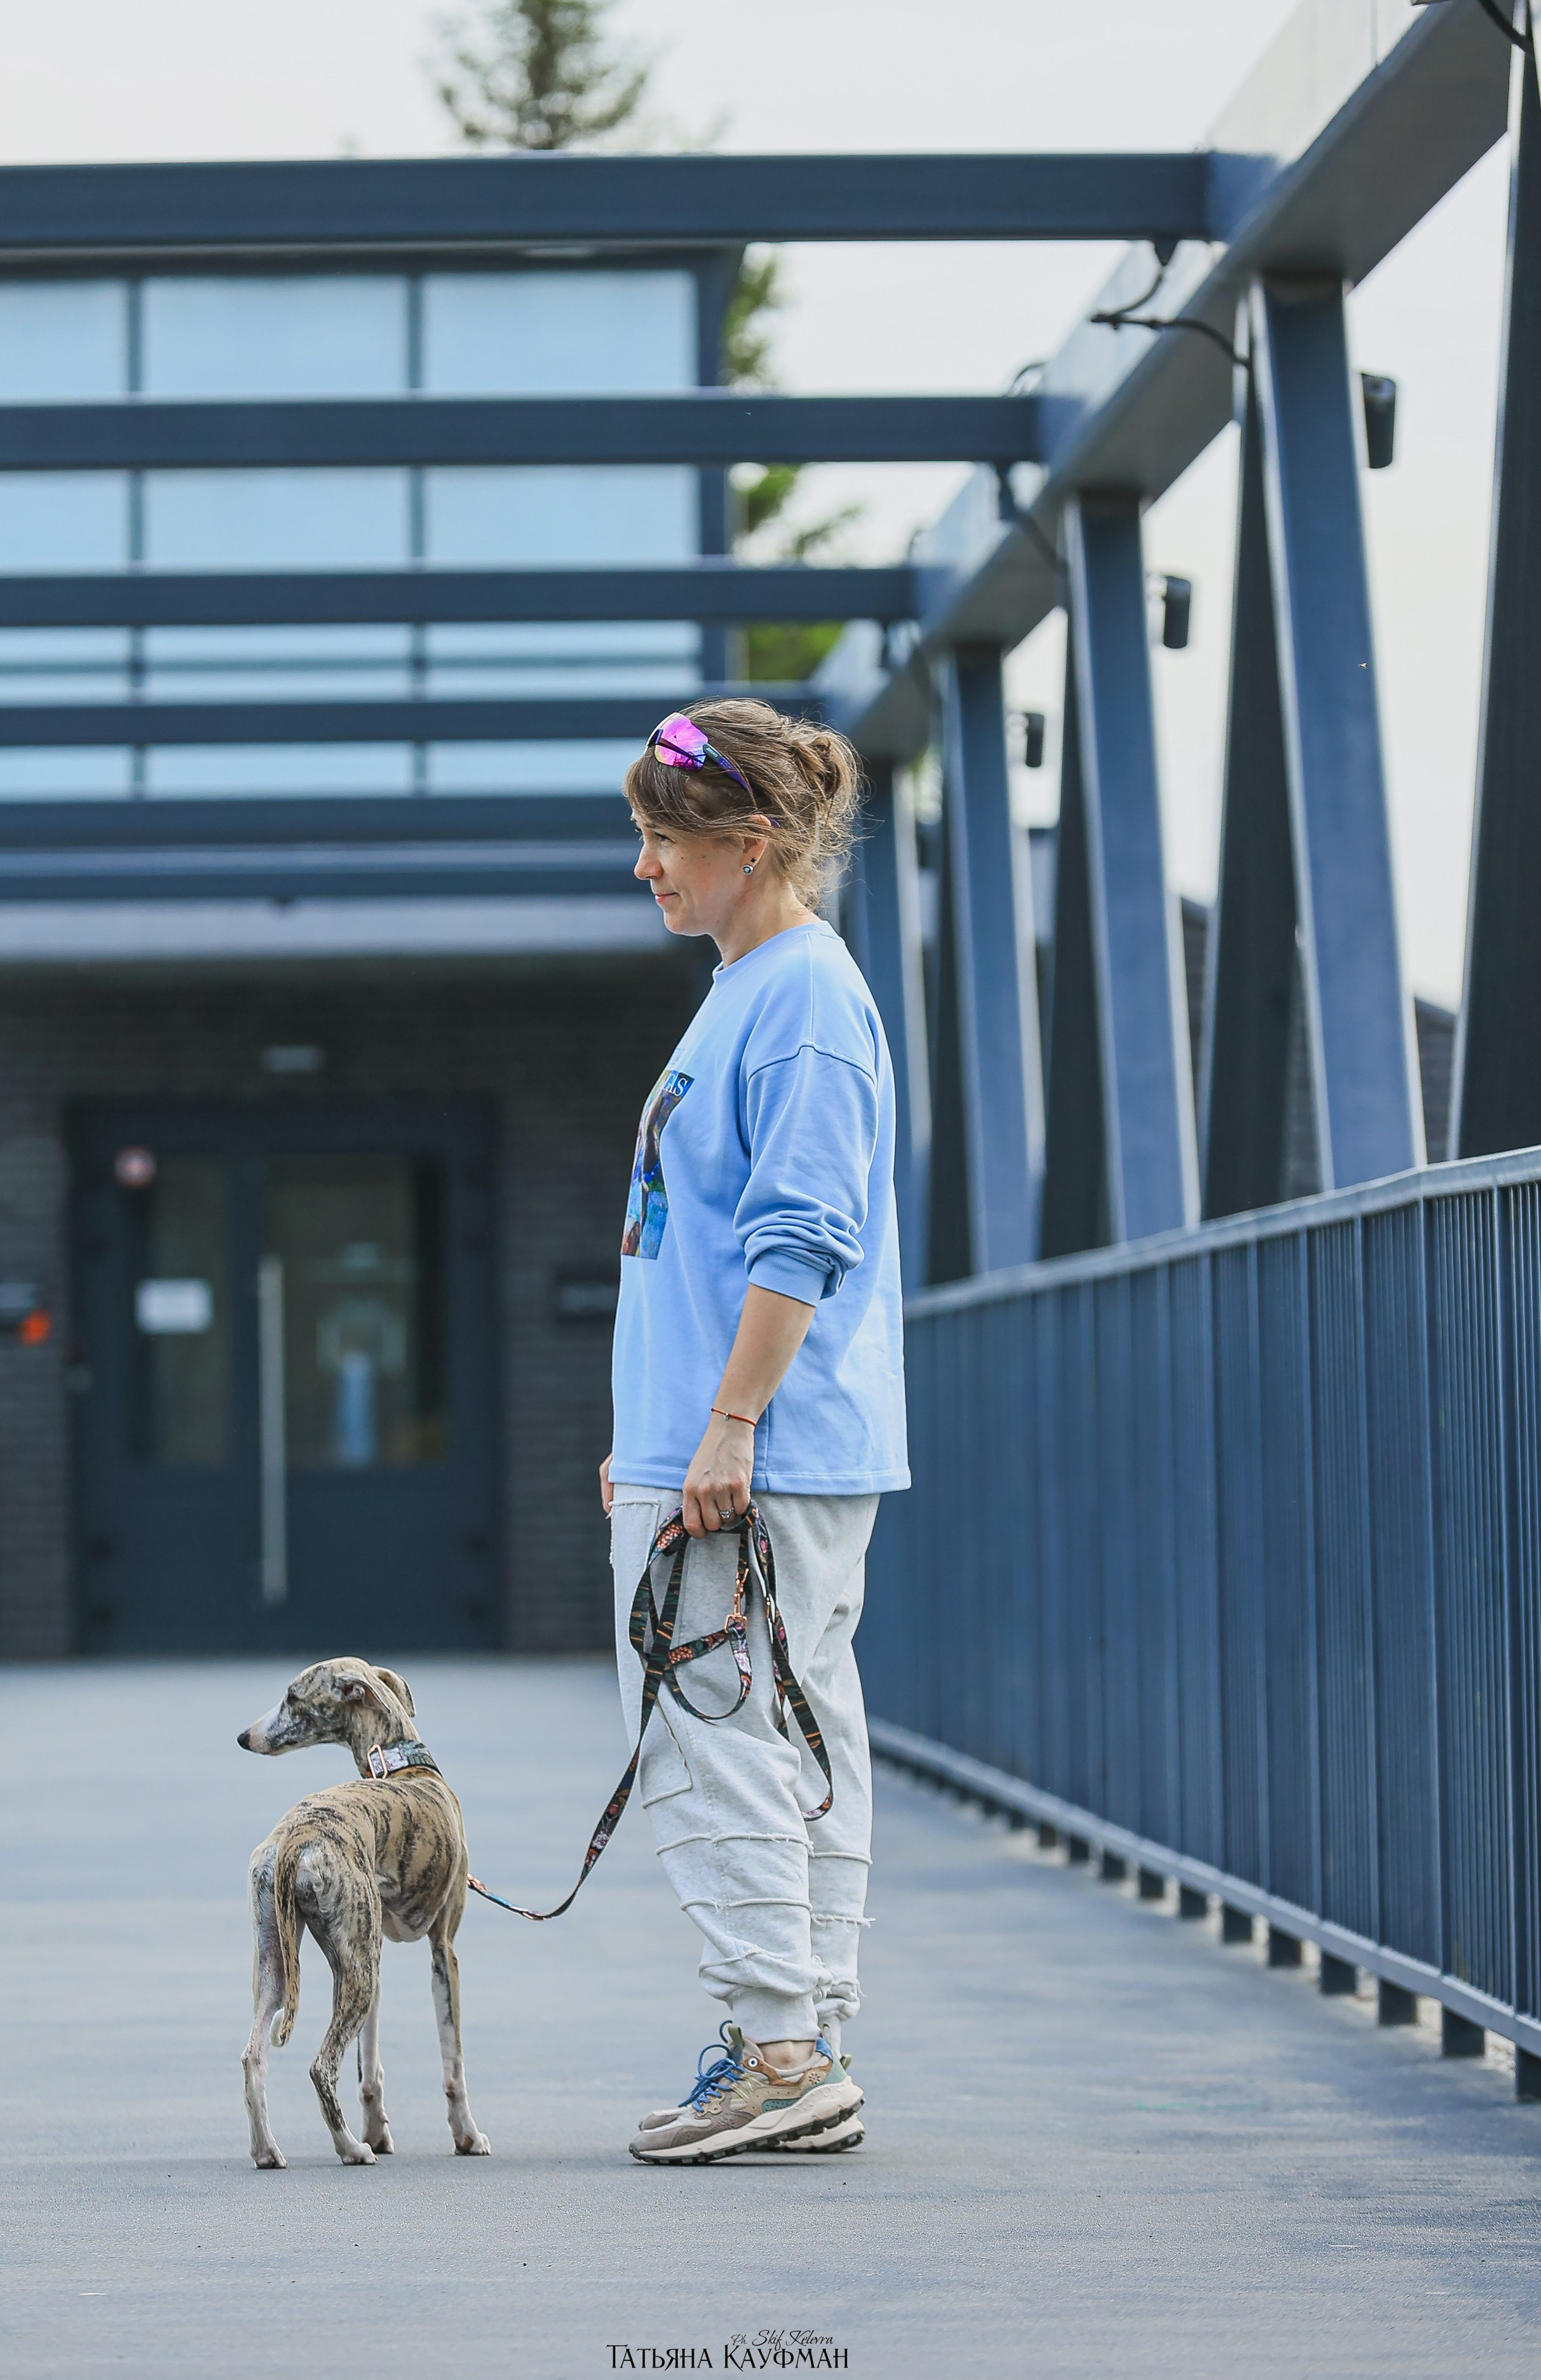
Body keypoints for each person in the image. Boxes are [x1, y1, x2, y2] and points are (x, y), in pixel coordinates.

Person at [601, 697, 909, 2165]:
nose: (645, 867)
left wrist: (720, 1430)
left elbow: (800, 1237)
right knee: (785, 1735)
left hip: (751, 1454)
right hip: (735, 1446)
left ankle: (778, 2051)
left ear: (753, 838)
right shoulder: (756, 990)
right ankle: (802, 2041)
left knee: (712, 1740)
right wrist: (658, 1432)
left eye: (664, 838)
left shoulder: (797, 1001)